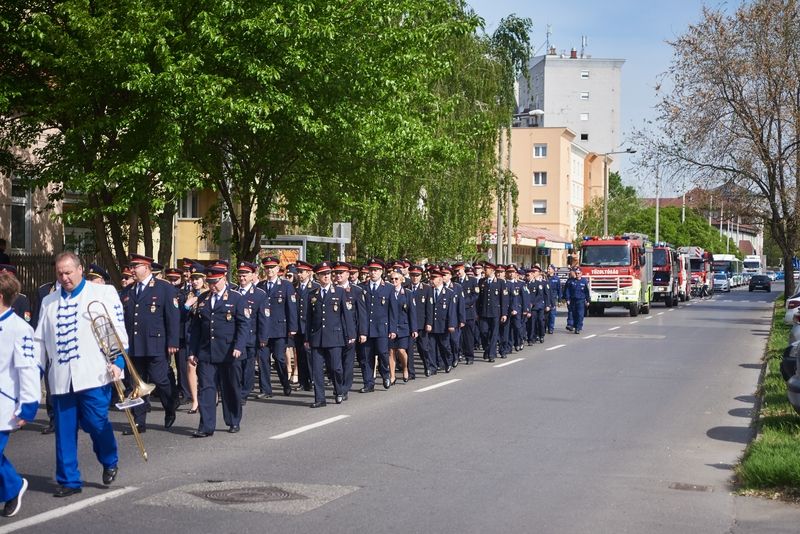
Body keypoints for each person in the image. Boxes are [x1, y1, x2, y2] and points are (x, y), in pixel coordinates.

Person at [34, 251, 126, 497]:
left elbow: (116, 331)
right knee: (64, 431)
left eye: (68, 272)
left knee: (97, 422)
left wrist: (118, 362)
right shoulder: (48, 301)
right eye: (60, 273)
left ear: (80, 269)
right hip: (62, 378)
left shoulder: (102, 293)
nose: (64, 278)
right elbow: (40, 342)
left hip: (94, 374)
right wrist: (34, 372)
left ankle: (109, 458)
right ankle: (69, 480)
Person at [121, 254, 180, 434]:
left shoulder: (164, 288)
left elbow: (173, 317)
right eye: (131, 266)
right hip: (135, 344)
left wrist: (173, 341)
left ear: (146, 267)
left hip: (156, 343)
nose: (132, 270)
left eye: (136, 266)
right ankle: (139, 422)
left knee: (160, 379)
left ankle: (170, 406)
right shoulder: (129, 290)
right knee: (136, 384)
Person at [188, 265, 248, 437]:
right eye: (210, 282)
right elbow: (196, 328)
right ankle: (206, 426)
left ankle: (233, 420)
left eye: (215, 282)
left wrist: (238, 346)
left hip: (229, 351)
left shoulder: (237, 298)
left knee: (230, 387)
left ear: (224, 279)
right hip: (207, 352)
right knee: (206, 388)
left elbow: (244, 325)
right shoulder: (204, 299)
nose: (212, 285)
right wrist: (193, 351)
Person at [0, 273, 40, 517]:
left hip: (4, 403)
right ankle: (14, 484)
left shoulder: (20, 329)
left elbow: (28, 370)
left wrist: (28, 405)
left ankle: (13, 487)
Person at [304, 262, 354, 407]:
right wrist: (307, 338)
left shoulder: (339, 292)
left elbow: (347, 315)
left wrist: (350, 334)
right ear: (318, 276)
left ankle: (339, 390)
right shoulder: (312, 294)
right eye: (322, 274)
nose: (326, 277)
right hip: (317, 337)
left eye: (328, 274)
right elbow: (309, 319)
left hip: (334, 336)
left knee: (335, 367)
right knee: (317, 370)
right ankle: (320, 398)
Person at [255, 256, 297, 398]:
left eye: (272, 268)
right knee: (263, 359)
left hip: (279, 329)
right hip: (263, 330)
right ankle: (266, 390)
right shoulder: (260, 286)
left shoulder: (286, 286)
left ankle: (285, 383)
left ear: (278, 269)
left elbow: (291, 308)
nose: (269, 270)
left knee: (279, 358)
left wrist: (292, 328)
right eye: (267, 268)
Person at [358, 258, 396, 391]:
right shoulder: (362, 287)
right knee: (366, 357)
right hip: (366, 328)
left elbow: (393, 310)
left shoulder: (389, 288)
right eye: (371, 270)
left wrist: (392, 329)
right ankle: (368, 383)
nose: (373, 273)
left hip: (382, 328)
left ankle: (385, 374)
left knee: (382, 353)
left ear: (381, 271)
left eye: (376, 270)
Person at [235, 261, 267, 404]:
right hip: (235, 338)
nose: (242, 278)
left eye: (245, 275)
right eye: (240, 275)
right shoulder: (233, 292)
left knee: (248, 366)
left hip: (251, 337)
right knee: (236, 365)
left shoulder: (259, 294)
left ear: (252, 275)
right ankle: (236, 390)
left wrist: (263, 338)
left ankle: (244, 392)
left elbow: (263, 318)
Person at [181, 263, 208, 413]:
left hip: (205, 336)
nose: (195, 281)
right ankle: (195, 401)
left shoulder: (209, 294)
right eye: (193, 278)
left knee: (205, 368)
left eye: (198, 278)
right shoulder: (188, 295)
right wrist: (186, 306)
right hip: (191, 335)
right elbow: (180, 317)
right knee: (191, 366)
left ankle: (212, 395)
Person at [388, 269, 417, 383]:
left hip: (404, 326)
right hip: (391, 326)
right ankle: (392, 376)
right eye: (392, 279)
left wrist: (414, 328)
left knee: (401, 350)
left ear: (401, 280)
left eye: (396, 279)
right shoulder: (388, 292)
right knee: (391, 351)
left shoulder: (408, 293)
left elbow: (412, 312)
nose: (394, 281)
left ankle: (405, 368)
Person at [476, 262, 507, 362]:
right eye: (485, 269)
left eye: (487, 269)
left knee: (494, 333)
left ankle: (492, 354)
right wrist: (477, 312)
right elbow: (478, 299)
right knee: (484, 332)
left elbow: (504, 299)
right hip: (483, 312)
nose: (485, 270)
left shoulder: (500, 282)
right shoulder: (481, 282)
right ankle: (487, 348)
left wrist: (504, 313)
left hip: (495, 312)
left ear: (492, 270)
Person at [566, 268, 590, 334]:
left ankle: (578, 328)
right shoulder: (571, 281)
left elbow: (586, 292)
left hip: (581, 300)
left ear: (581, 274)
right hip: (573, 300)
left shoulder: (584, 281)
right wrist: (567, 299)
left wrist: (588, 300)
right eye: (576, 273)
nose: (577, 274)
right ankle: (574, 325)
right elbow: (568, 291)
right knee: (574, 314)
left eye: (578, 273)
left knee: (580, 314)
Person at [545, 265, 561, 334]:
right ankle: (545, 327)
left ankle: (551, 328)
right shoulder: (545, 278)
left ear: (553, 270)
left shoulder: (556, 279)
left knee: (552, 314)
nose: (548, 270)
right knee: (545, 314)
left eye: (549, 269)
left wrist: (559, 300)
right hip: (545, 298)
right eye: (548, 269)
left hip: (553, 298)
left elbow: (559, 290)